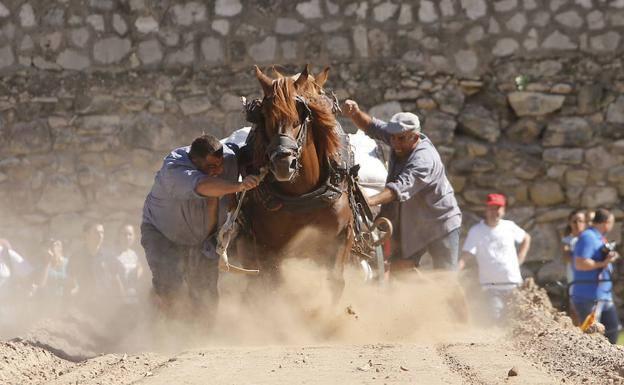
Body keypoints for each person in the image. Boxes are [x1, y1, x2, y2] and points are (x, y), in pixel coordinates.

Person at [141, 134, 260, 322]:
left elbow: (246, 136)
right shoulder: (174, 168)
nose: (219, 170)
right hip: (162, 234)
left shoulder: (228, 156)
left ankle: (202, 339)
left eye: (220, 164)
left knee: (205, 293)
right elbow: (205, 186)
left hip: (204, 239)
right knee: (170, 284)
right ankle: (165, 333)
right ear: (194, 161)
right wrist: (239, 186)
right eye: (211, 167)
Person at [342, 100, 462, 271]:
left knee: (446, 279)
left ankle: (444, 295)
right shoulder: (398, 137)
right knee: (399, 272)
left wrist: (368, 201)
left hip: (440, 223)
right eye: (392, 138)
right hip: (413, 225)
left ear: (415, 137)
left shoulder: (424, 160)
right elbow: (372, 126)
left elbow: (399, 189)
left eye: (400, 139)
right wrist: (355, 113)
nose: (395, 143)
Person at [459, 193, 531, 320]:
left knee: (517, 320)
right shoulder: (476, 231)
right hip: (491, 288)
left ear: (503, 210)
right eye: (492, 208)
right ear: (486, 209)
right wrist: (457, 268)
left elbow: (526, 238)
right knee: (496, 319)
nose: (495, 212)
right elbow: (467, 255)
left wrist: (521, 256)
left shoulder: (509, 226)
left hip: (513, 285)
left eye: (498, 208)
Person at [571, 208, 621, 344]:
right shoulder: (588, 236)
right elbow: (580, 263)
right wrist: (603, 263)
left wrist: (611, 256)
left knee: (612, 331)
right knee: (590, 338)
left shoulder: (599, 237)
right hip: (588, 296)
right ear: (606, 222)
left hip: (603, 296)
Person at [68, 221, 116, 303]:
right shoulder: (76, 257)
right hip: (83, 302)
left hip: (106, 302)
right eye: (96, 232)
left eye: (102, 233)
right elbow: (71, 280)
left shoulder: (109, 257)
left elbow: (116, 279)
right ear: (86, 235)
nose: (100, 236)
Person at [561, 209, 587, 324]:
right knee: (575, 312)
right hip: (574, 280)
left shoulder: (589, 239)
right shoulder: (567, 241)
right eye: (574, 221)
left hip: (589, 280)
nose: (577, 224)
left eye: (581, 221)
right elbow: (567, 257)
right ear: (569, 223)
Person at [113, 224, 144, 305]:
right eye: (124, 234)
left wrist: (138, 273)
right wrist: (122, 295)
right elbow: (114, 276)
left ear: (134, 237)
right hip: (119, 297)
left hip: (134, 295)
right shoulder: (113, 254)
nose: (127, 237)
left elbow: (140, 267)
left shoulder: (134, 254)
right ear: (119, 236)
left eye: (130, 234)